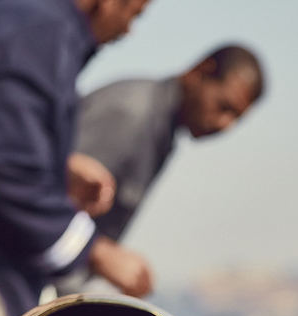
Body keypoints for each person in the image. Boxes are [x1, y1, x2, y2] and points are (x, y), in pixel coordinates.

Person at [0, 0, 151, 316]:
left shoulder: (20, 18)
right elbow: (11, 171)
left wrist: (61, 165)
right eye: (133, 13)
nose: (128, 30)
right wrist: (96, 252)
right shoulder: (42, 31)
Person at [65, 45, 264, 290]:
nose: (225, 125)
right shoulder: (131, 112)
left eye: (236, 119)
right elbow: (37, 189)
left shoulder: (159, 128)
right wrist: (96, 251)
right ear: (201, 71)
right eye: (224, 107)